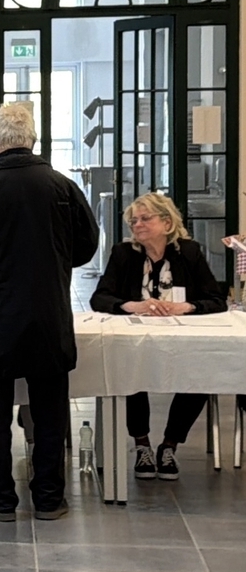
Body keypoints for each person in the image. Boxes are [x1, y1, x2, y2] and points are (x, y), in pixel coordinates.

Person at [0, 103, 98, 522]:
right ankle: (48, 497)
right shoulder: (62, 187)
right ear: (34, 140)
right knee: (49, 411)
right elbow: (85, 247)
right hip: (48, 315)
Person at [90, 192, 226, 480]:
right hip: (137, 337)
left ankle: (169, 445)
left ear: (166, 223)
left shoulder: (189, 252)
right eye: (133, 221)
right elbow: (100, 298)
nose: (137, 225)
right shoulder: (123, 253)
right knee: (129, 372)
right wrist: (131, 305)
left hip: (182, 339)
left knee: (199, 376)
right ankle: (142, 445)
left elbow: (216, 299)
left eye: (144, 218)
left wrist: (186, 306)